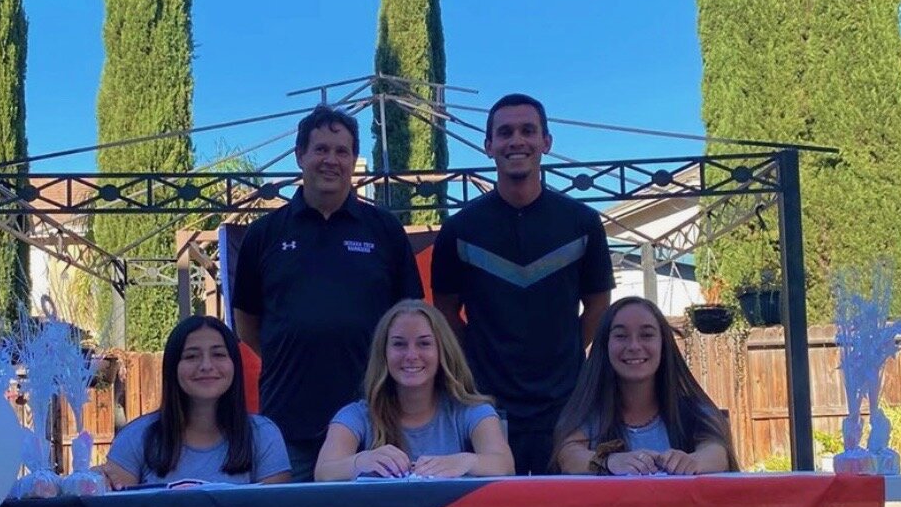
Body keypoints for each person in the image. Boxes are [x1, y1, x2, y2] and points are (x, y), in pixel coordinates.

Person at [233, 105, 423, 480]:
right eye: (320, 149)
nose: (331, 160)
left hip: (375, 423)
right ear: (300, 155)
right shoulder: (264, 234)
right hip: (289, 423)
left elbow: (412, 320)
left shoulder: (384, 231)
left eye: (341, 151)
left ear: (354, 160)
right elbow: (247, 324)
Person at [431, 93, 615, 474]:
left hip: (566, 403)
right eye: (505, 132)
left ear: (546, 142)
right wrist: (478, 361)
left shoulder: (582, 223)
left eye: (528, 131)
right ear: (488, 146)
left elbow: (599, 305)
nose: (517, 141)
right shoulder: (459, 230)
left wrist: (564, 354)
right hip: (485, 406)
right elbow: (445, 310)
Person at [315, 299, 514, 480]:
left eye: (424, 343)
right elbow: (323, 473)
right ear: (383, 353)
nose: (411, 355)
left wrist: (465, 462)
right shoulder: (356, 415)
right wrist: (361, 462)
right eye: (399, 344)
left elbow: (505, 466)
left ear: (442, 351)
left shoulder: (471, 411)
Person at [552, 296, 738, 476]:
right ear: (604, 346)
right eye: (621, 336)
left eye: (647, 335)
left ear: (664, 345)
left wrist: (693, 462)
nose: (634, 345)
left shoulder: (694, 409)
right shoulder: (589, 410)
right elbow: (568, 455)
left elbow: (717, 453)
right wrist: (608, 462)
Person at [102, 315, 291, 487]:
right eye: (191, 356)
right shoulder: (135, 438)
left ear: (234, 365)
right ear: (172, 368)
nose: (206, 366)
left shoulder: (264, 435)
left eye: (218, 354)